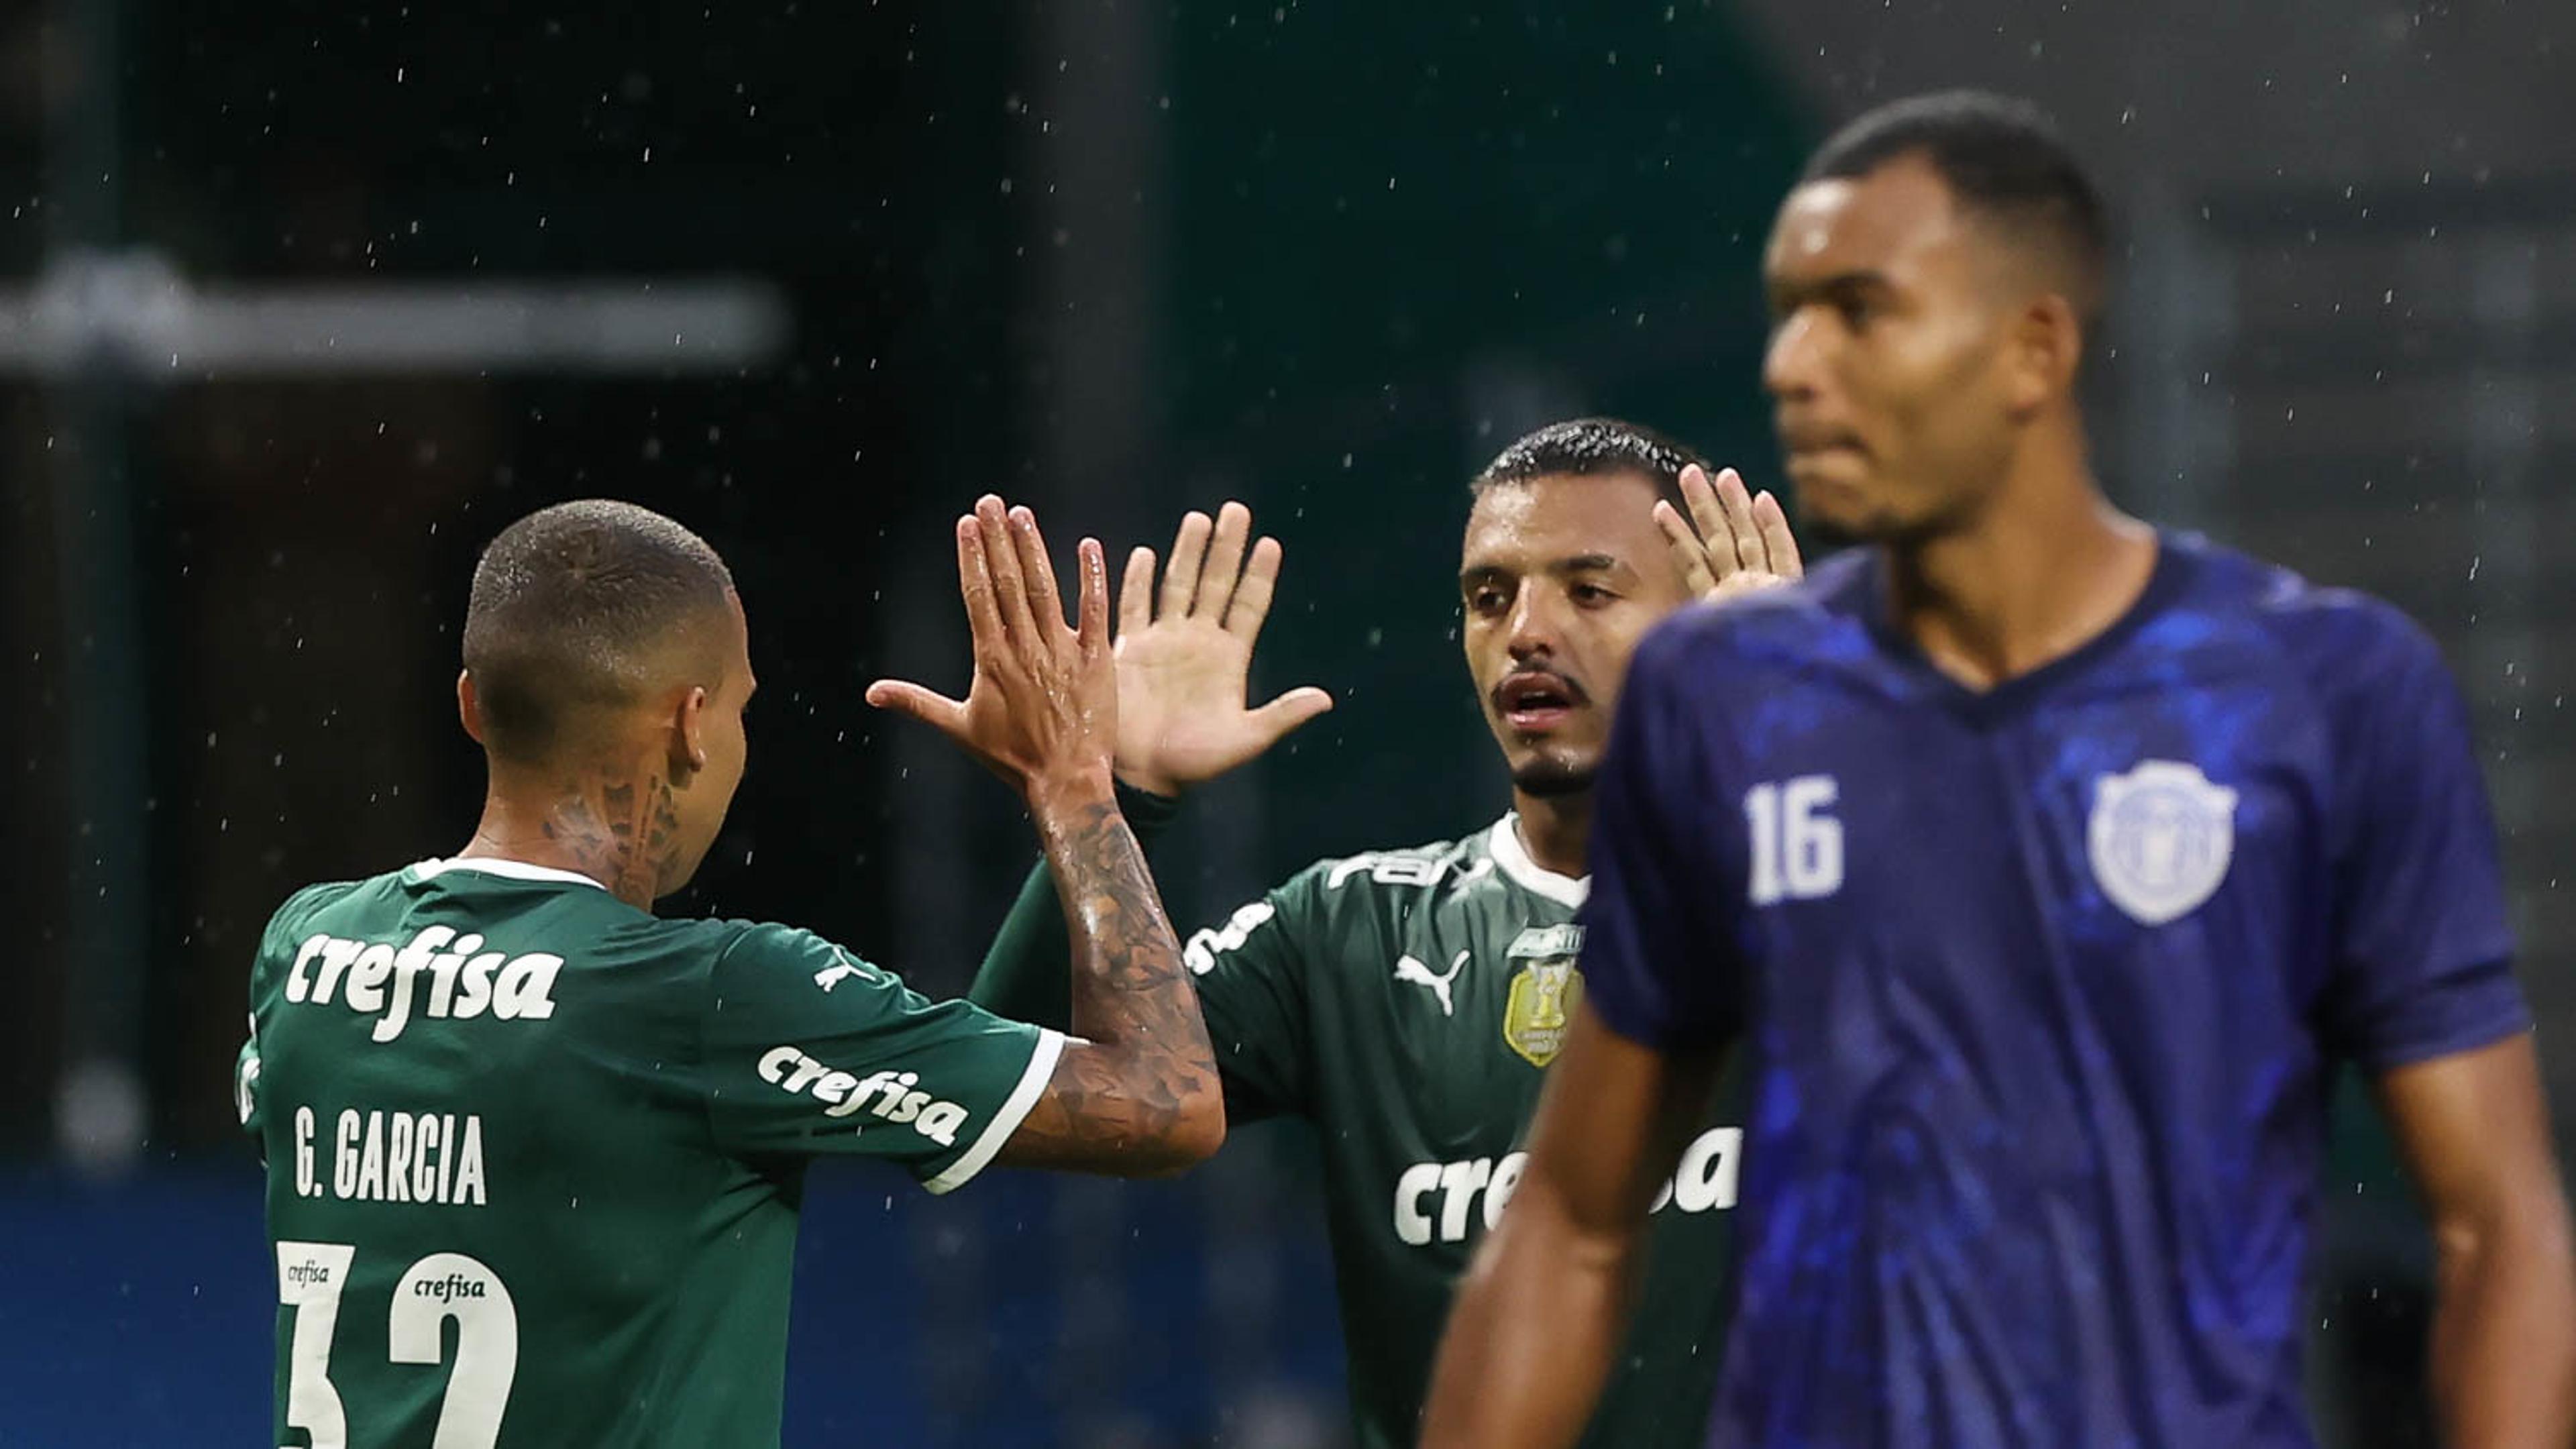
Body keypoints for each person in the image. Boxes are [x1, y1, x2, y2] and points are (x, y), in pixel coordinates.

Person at [1419, 90, 2576, 1449]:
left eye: (1860, 310)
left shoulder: (2324, 692)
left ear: (2033, 350)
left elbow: (2497, 1224)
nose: (1794, 363)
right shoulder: (1723, 703)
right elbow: (1570, 1220)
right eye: (1789, 309)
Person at [237, 494, 1223, 1448]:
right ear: (692, 723)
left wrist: (1117, 795)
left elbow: (956, 1080)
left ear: (472, 707)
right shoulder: (713, 1000)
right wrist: (1078, 787)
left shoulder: (309, 954)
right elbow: (1166, 1104)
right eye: (744, 710)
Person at [965, 417, 1801, 1448]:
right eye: (1490, 596)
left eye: (1590, 590)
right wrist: (1110, 799)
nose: (1528, 631)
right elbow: (1008, 1090)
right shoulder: (1352, 930)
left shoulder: (1804, 894)